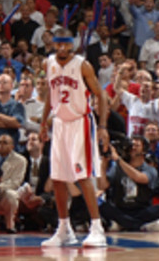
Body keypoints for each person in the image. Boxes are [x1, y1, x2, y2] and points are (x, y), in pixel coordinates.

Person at [40, 32, 110, 248]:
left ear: (72, 47)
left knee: (83, 175)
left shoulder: (83, 65)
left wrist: (102, 126)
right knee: (58, 177)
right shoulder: (47, 63)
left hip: (81, 122)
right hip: (59, 123)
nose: (61, 48)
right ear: (54, 44)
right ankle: (64, 229)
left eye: (65, 45)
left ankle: (97, 228)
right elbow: (50, 97)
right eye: (58, 44)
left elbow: (101, 95)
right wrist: (44, 123)